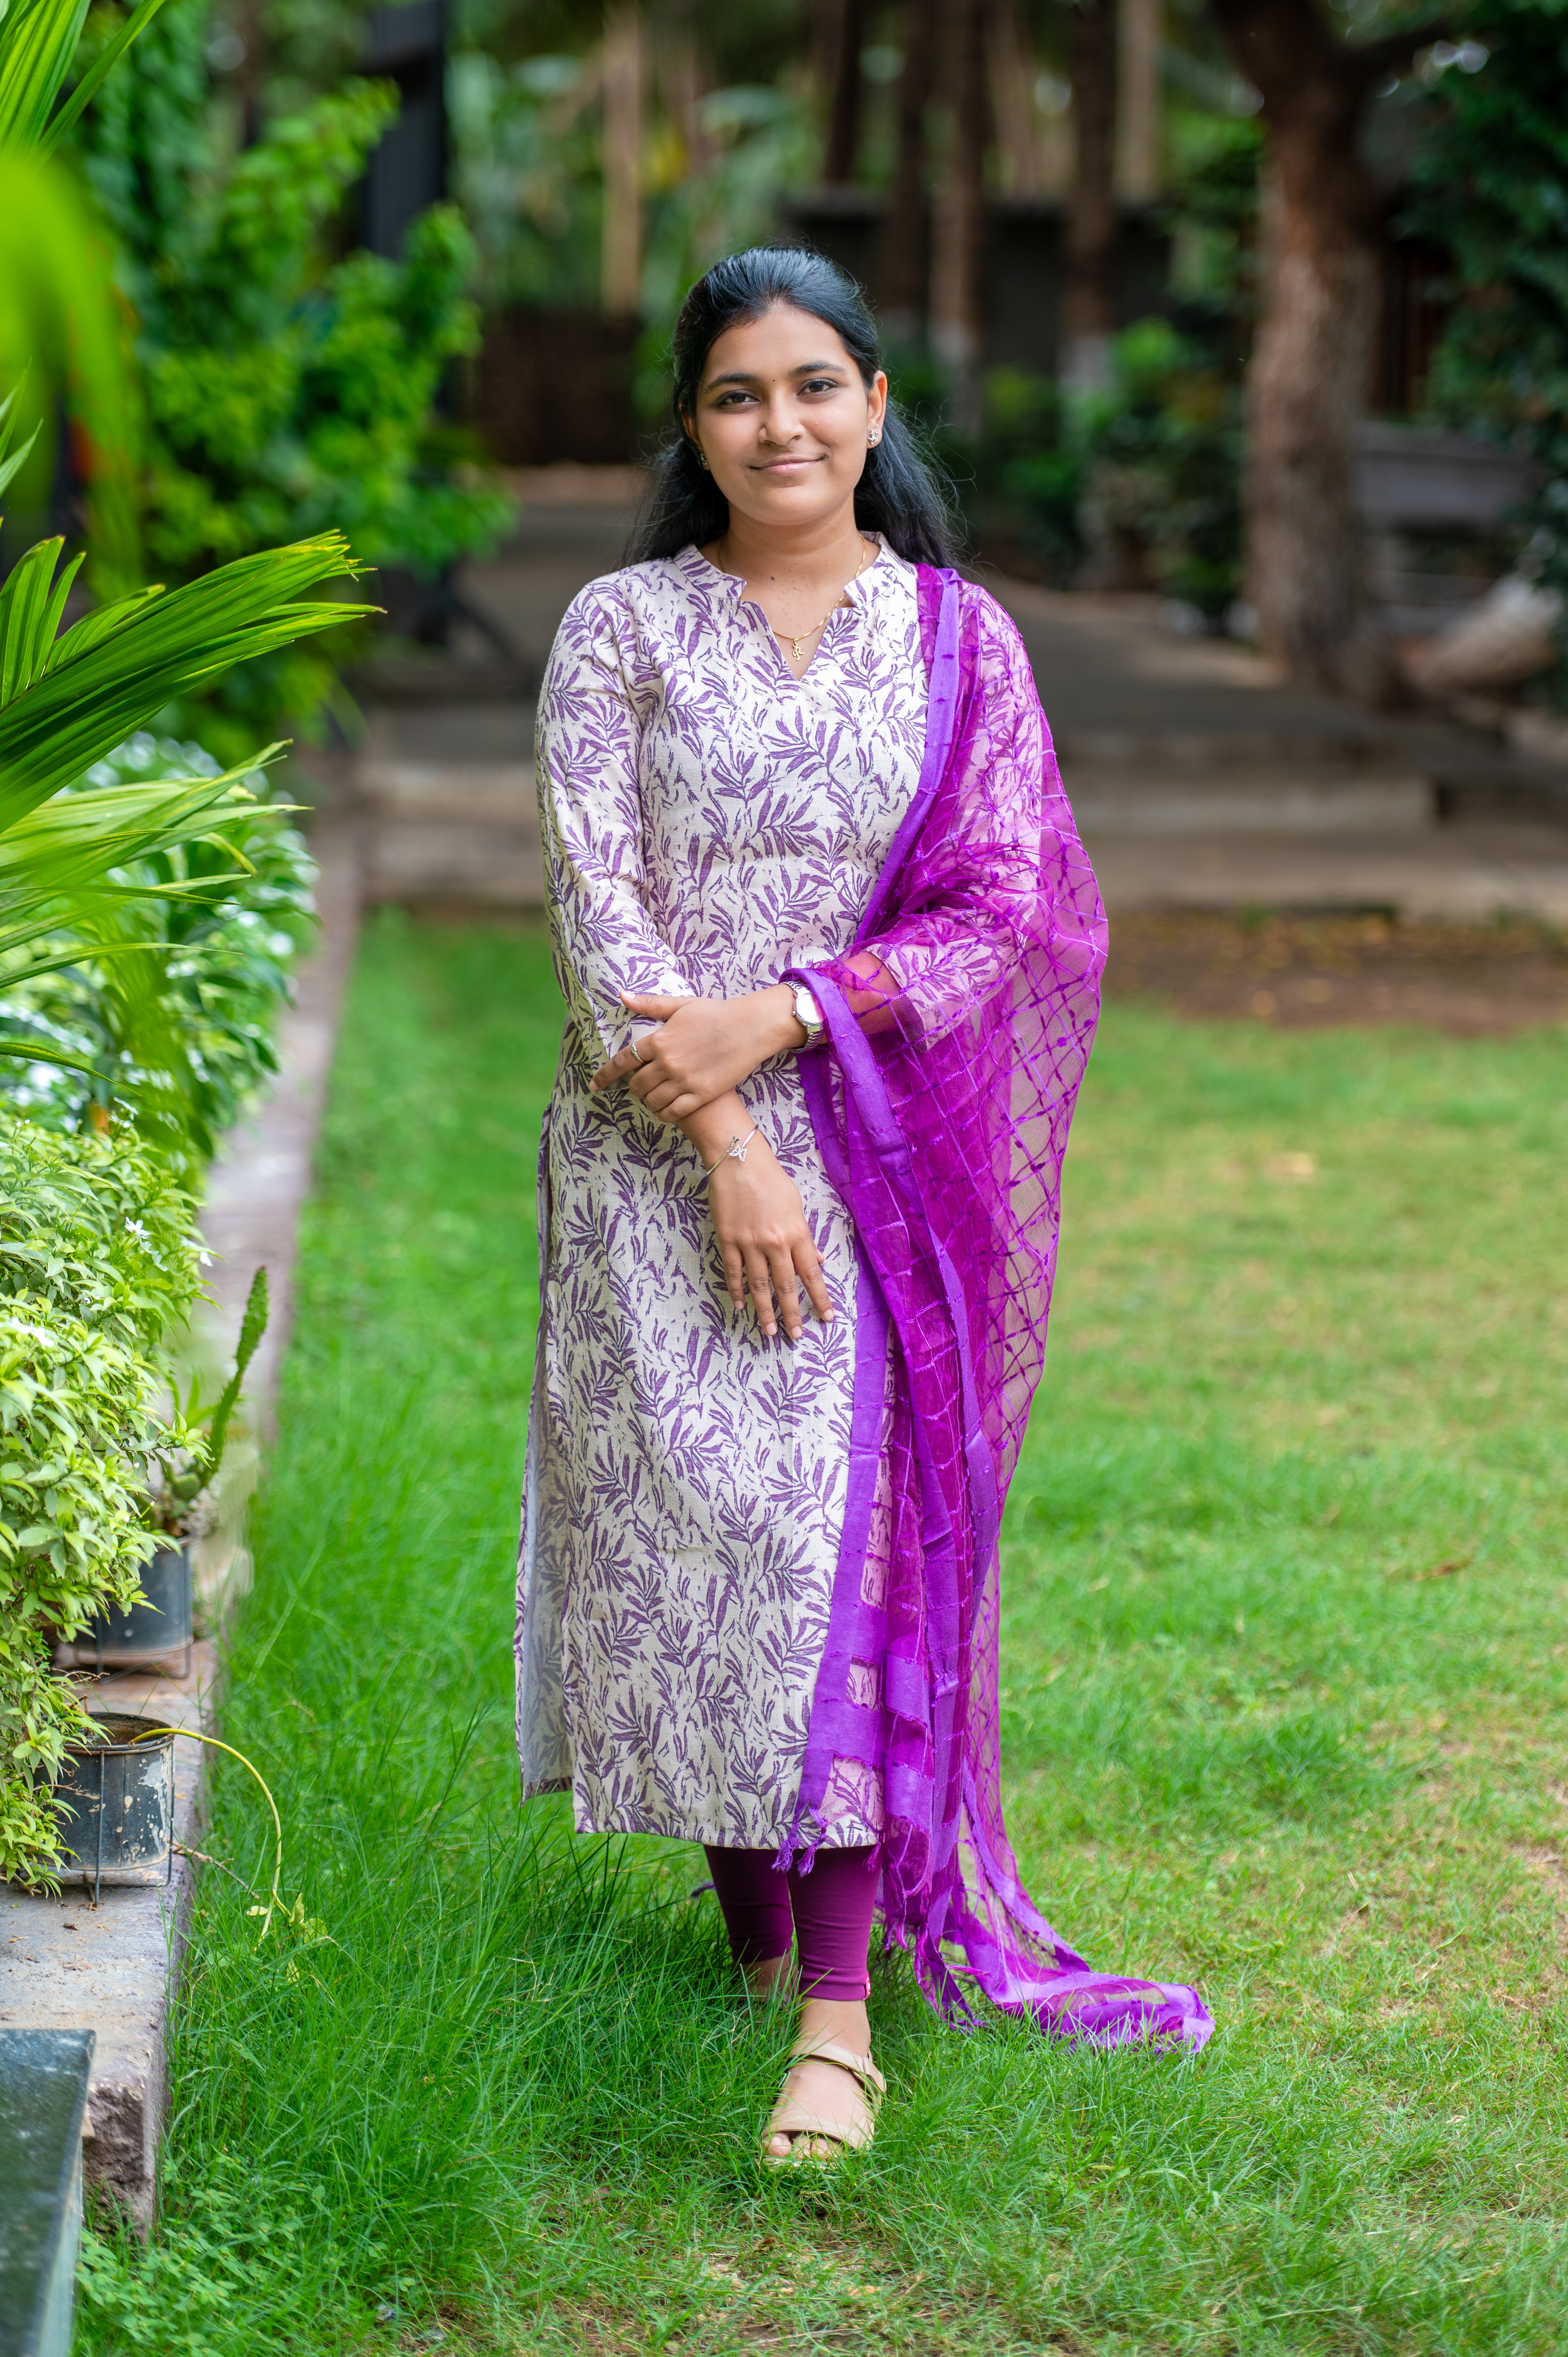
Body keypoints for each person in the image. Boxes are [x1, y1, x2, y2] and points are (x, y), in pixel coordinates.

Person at [516, 247, 1210, 2170]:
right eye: (737, 394)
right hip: (656, 1159)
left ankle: (837, 2023)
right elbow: (598, 905)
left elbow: (1005, 912)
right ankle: (760, 1937)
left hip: (881, 1158)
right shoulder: (620, 630)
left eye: (815, 386)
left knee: (834, 1550)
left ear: (877, 405)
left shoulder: (961, 643)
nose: (780, 426)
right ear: (691, 425)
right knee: (704, 1540)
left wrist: (801, 1013)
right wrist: (729, 1126)